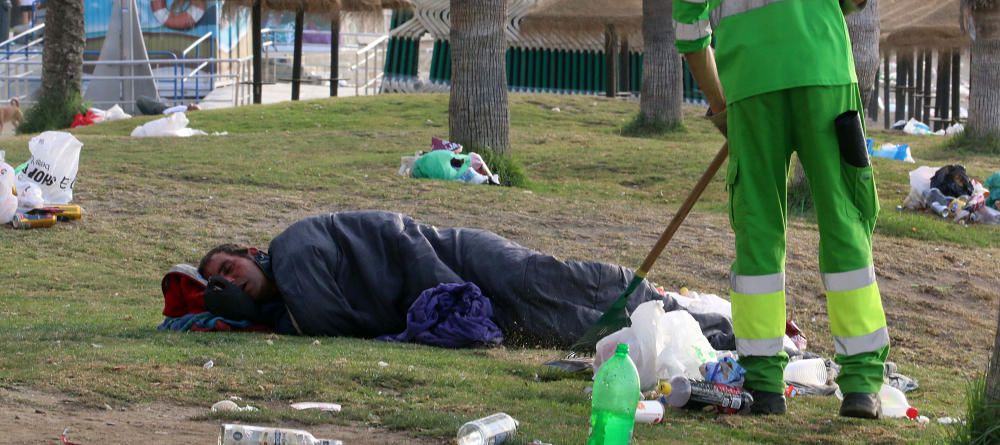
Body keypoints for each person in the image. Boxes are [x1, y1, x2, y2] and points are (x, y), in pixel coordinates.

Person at [671, 0, 890, 419]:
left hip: (750, 92)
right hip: (824, 77)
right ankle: (860, 388)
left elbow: (688, 30)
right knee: (845, 223)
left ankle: (765, 385)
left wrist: (720, 108)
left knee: (758, 235)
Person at [196, 211, 734, 351]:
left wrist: (449, 291)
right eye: (220, 284)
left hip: (461, 259)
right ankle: (700, 333)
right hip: (450, 288)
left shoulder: (293, 249)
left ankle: (699, 318)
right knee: (562, 329)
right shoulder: (283, 308)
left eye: (228, 269)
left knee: (559, 284)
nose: (231, 279)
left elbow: (331, 321)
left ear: (248, 252)